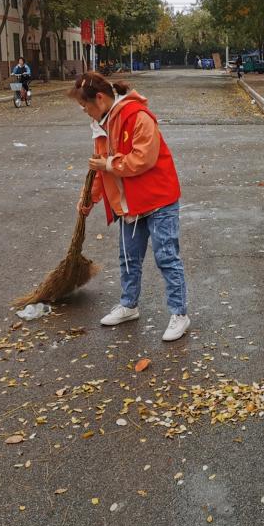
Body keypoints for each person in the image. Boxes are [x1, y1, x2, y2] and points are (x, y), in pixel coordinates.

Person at [71, 71, 191, 342]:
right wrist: (89, 198)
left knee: (166, 257)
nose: (84, 111)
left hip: (159, 200)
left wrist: (108, 164)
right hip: (128, 205)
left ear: (99, 99)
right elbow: (100, 169)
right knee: (128, 258)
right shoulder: (100, 126)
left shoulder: (137, 116)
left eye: (84, 105)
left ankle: (179, 313)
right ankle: (128, 305)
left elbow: (143, 158)